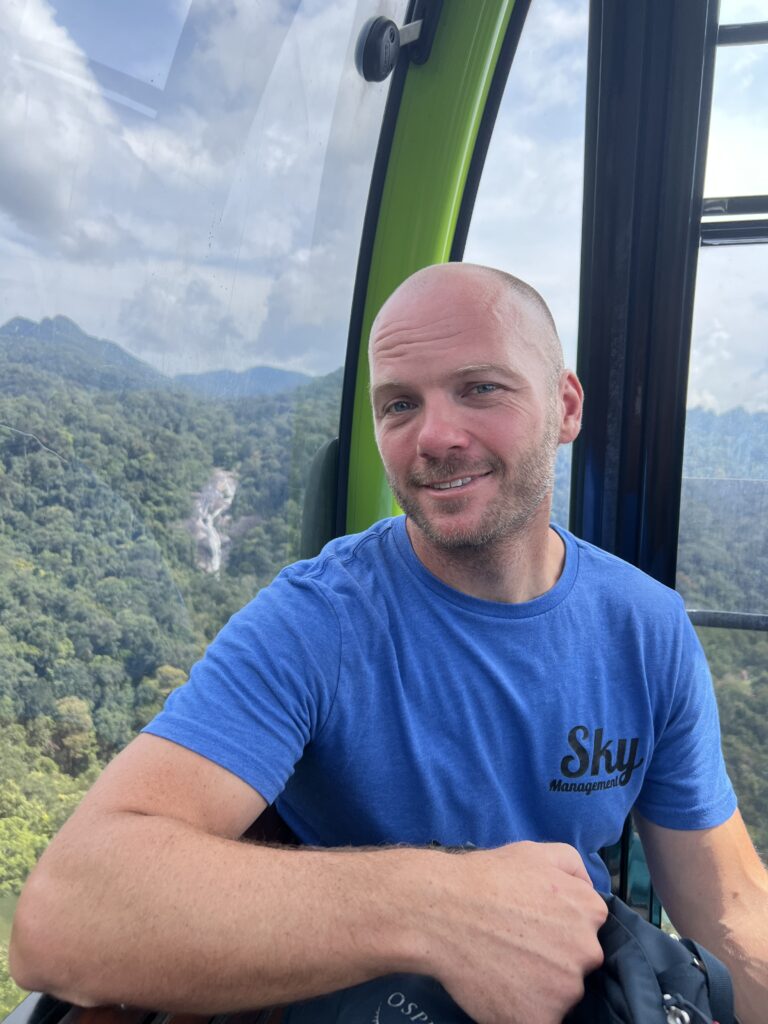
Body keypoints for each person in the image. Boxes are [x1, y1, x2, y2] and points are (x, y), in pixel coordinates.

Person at [10, 264, 768, 1024]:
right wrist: (438, 910)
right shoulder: (319, 621)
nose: (435, 435)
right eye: (400, 403)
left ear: (565, 407)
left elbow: (730, 913)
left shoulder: (646, 629)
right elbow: (65, 917)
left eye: (481, 388)